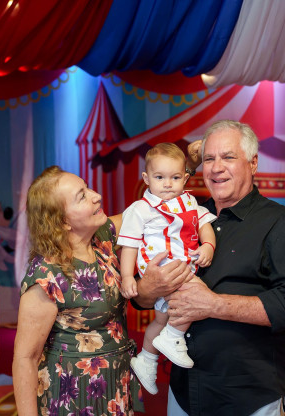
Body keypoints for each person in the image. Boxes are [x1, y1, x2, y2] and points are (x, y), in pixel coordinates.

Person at [134, 120, 285, 416]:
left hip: (247, 398)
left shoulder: (279, 223)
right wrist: (146, 288)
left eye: (228, 157)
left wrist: (214, 305)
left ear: (253, 163)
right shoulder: (183, 215)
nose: (216, 168)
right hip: (183, 394)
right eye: (209, 159)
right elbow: (140, 297)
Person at [12, 166, 145, 416]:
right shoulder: (47, 275)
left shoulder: (101, 239)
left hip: (115, 383)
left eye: (87, 188)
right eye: (82, 196)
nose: (97, 196)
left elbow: (144, 211)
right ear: (63, 222)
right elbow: (25, 359)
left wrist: (186, 169)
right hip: (73, 395)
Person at [117, 143, 217, 395]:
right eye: (159, 177)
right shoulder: (141, 209)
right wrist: (128, 276)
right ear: (146, 178)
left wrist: (208, 246)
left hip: (183, 267)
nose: (167, 184)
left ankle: (146, 360)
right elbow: (129, 245)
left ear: (185, 178)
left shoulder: (189, 201)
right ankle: (173, 336)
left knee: (160, 319)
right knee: (198, 296)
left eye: (175, 178)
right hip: (161, 269)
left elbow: (204, 224)